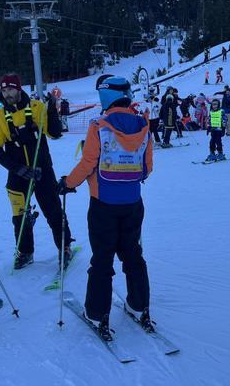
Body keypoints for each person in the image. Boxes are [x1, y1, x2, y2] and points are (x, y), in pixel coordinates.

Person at [60, 75, 154, 339]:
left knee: (102, 259)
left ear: (105, 97)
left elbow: (88, 163)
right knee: (132, 254)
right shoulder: (143, 125)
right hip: (132, 203)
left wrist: (68, 183)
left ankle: (96, 312)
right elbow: (147, 168)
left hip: (103, 204)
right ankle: (139, 305)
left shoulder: (99, 126)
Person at [0, 73, 72, 270]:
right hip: (18, 173)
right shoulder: (0, 116)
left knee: (53, 211)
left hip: (42, 170)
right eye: (4, 90)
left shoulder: (37, 107)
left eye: (11, 89)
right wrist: (17, 168)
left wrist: (52, 109)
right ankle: (25, 251)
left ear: (19, 89)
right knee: (20, 217)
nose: (7, 94)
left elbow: (55, 133)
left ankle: (64, 246)